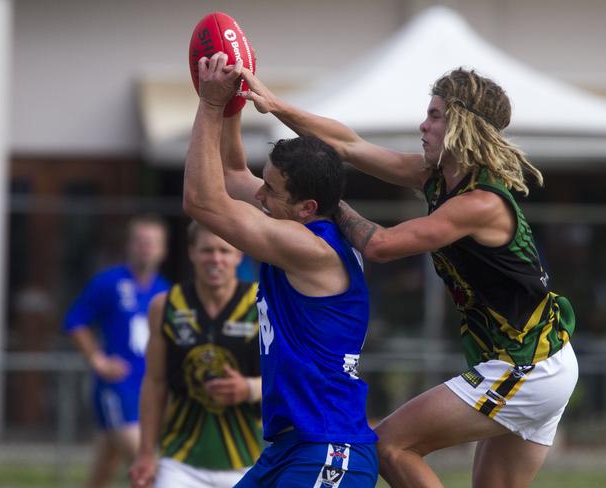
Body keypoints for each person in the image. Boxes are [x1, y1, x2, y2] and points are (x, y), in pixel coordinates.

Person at [238, 66, 579, 488]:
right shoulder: (437, 178)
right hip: (543, 362)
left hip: (528, 365)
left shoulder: (480, 203)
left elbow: (379, 245)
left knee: (389, 445)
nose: (424, 123)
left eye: (436, 115)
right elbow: (347, 144)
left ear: (463, 126)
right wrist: (275, 105)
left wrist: (328, 202)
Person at [182, 52, 379, 487]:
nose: (259, 196)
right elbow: (233, 172)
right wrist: (233, 98)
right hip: (293, 448)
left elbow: (201, 200)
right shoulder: (296, 222)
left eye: (269, 190)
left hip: (328, 448)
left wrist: (211, 106)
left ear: (307, 208)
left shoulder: (310, 248)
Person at [129, 220, 263, 488]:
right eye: (206, 250)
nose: (216, 259)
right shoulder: (165, 306)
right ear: (191, 252)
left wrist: (248, 388)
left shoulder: (263, 305)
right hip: (180, 461)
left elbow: (290, 377)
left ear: (239, 255)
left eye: (224, 251)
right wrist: (145, 453)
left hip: (250, 460)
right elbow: (155, 382)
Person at [64, 215, 170, 488]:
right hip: (117, 387)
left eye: (152, 242)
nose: (146, 248)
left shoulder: (165, 290)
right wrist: (97, 360)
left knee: (104, 468)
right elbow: (75, 322)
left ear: (163, 249)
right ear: (129, 245)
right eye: (140, 241)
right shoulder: (109, 282)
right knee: (145, 464)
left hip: (148, 388)